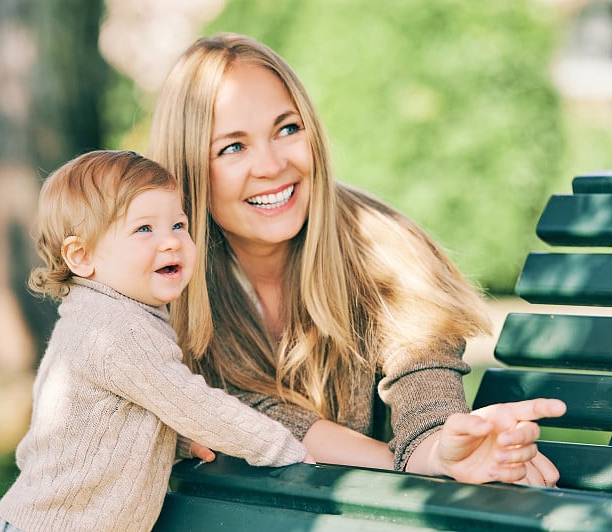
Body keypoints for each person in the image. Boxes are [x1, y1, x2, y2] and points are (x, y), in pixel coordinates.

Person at [148, 33, 567, 487]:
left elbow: (425, 392)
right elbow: (219, 407)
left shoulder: (384, 247)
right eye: (233, 147)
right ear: (190, 169)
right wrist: (400, 462)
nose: (271, 165)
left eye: (287, 128)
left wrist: (441, 451)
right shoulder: (158, 274)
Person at [0, 150, 310, 532]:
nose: (171, 242)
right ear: (81, 255)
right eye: (144, 229)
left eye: (178, 224)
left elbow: (101, 422)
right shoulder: (113, 328)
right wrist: (280, 448)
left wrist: (167, 443)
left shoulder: (103, 316)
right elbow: (192, 403)